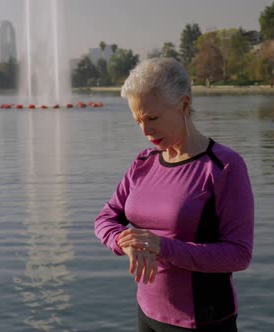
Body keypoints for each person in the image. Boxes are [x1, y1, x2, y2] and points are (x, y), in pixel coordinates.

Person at [94, 58, 254, 332]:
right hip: (147, 313)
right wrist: (125, 241)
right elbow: (105, 218)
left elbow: (239, 254)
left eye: (152, 118)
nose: (145, 131)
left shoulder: (224, 166)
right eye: (138, 121)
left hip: (202, 320)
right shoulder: (144, 163)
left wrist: (163, 247)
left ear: (183, 104)